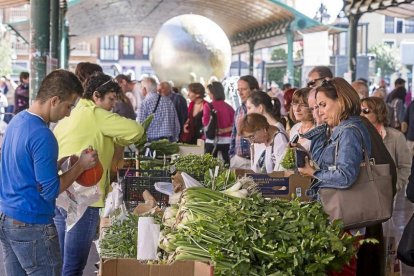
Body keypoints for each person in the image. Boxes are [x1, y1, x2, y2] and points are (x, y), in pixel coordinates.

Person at [0, 69, 98, 276]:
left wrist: (59, 163)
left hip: (7, 217)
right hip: (32, 223)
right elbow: (50, 190)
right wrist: (80, 166)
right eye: (68, 106)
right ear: (54, 100)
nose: (69, 113)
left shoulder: (17, 122)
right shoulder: (43, 135)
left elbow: (22, 169)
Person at [53, 72, 144, 276]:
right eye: (111, 99)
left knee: (59, 262)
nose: (113, 105)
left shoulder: (72, 114)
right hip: (84, 198)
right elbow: (136, 130)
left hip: (60, 193)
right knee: (73, 266)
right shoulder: (96, 114)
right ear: (96, 95)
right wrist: (119, 139)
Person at [299, 77, 371, 275]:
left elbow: (346, 175)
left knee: (343, 270)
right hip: (339, 214)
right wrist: (321, 126)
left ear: (341, 100)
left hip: (346, 216)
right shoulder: (340, 129)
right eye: (315, 107)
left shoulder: (349, 131)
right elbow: (321, 159)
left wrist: (314, 173)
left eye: (322, 105)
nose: (319, 111)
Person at [360, 97, 411, 191]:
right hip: (363, 192)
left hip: (386, 193)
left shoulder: (396, 137)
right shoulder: (355, 135)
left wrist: (394, 187)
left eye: (366, 111)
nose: (361, 114)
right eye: (359, 111)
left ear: (378, 112)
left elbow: (405, 167)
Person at [229, 75, 259, 169]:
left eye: (244, 89)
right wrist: (232, 156)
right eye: (239, 90)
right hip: (238, 160)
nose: (240, 93)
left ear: (254, 90)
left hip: (256, 162)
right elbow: (234, 134)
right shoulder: (238, 110)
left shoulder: (260, 109)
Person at [202, 81, 235, 165]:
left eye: (209, 93)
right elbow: (235, 125)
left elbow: (205, 123)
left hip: (211, 140)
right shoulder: (229, 107)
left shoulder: (208, 106)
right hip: (227, 141)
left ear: (213, 93)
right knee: (227, 166)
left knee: (209, 166)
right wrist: (223, 130)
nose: (208, 95)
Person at [139, 77, 180, 142]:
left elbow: (140, 125)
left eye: (140, 87)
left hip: (151, 141)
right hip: (168, 140)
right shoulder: (168, 101)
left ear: (144, 89)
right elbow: (176, 123)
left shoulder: (144, 103)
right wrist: (174, 139)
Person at [289, 88, 315, 152]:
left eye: (303, 105)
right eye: (294, 104)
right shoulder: (295, 128)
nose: (297, 109)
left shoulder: (319, 131)